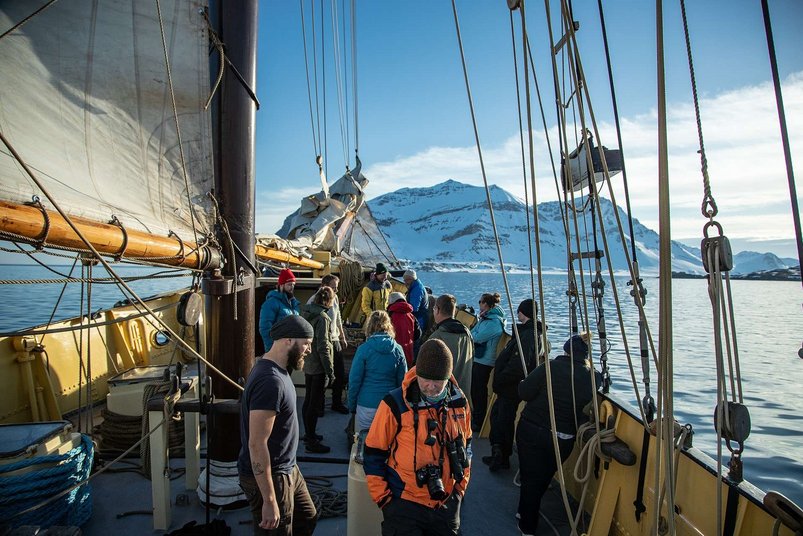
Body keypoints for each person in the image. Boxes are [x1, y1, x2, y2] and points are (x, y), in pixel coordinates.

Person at [364, 339, 472, 536]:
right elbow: (373, 453)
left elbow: (467, 448)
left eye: (437, 382)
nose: (430, 387)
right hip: (404, 502)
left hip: (446, 502)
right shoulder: (394, 404)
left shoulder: (460, 404)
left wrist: (459, 490)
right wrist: (385, 500)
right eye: (425, 380)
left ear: (448, 378)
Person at [238, 315, 317, 535]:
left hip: (288, 467)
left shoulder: (276, 369)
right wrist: (269, 500)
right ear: (288, 341)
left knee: (307, 518)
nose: (309, 350)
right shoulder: (270, 381)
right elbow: (256, 444)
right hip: (273, 475)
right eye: (306, 344)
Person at [516, 332, 601, 536]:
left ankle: (527, 525)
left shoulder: (550, 367)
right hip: (564, 437)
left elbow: (524, 392)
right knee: (544, 475)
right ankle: (524, 511)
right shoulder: (593, 377)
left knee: (529, 476)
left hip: (533, 429)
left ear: (565, 350)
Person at [483, 298, 543, 471]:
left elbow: (518, 364)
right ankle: (499, 453)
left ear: (523, 313)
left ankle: (501, 457)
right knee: (498, 418)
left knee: (503, 421)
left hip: (510, 388)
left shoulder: (528, 335)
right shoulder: (526, 333)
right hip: (509, 387)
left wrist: (500, 378)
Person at [348, 310, 408, 432]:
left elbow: (354, 381)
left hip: (366, 404)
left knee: (363, 443)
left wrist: (352, 405)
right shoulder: (398, 349)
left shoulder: (363, 349)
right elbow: (403, 381)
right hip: (389, 404)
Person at [307, 274, 349, 414]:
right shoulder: (314, 300)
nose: (335, 291)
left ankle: (336, 402)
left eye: (336, 288)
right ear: (324, 286)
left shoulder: (335, 298)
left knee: (339, 374)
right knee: (323, 374)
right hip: (322, 339)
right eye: (333, 288)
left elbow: (338, 318)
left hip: (334, 339)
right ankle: (319, 405)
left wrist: (342, 336)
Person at [300, 286, 335, 453]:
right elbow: (323, 346)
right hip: (319, 365)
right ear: (329, 300)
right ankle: (311, 441)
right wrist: (330, 370)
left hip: (308, 362)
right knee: (314, 404)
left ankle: (308, 433)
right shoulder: (322, 318)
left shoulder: (306, 312)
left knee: (308, 400)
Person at [469, 292, 506, 432]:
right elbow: (473, 333)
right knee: (475, 389)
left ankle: (479, 420)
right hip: (478, 358)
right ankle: (476, 416)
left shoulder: (495, 322)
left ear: (486, 304)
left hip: (485, 361)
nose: (479, 304)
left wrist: (473, 335)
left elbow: (477, 337)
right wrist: (473, 334)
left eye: (480, 302)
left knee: (479, 391)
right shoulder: (485, 319)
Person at [426, 294, 473, 398]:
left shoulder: (436, 337)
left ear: (437, 309)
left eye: (434, 308)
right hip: (463, 395)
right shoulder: (467, 334)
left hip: (444, 398)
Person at [259, 269, 300, 352]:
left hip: (291, 348)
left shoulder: (294, 303)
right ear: (281, 285)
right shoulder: (271, 303)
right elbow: (265, 328)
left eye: (293, 285)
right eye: (289, 284)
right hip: (278, 349)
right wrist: (273, 349)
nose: (292, 287)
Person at [387, 291, 420, 367]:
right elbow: (418, 334)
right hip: (408, 354)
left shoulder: (389, 315)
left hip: (393, 354)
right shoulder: (411, 316)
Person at [403, 270, 428, 356]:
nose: (405, 282)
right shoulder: (416, 286)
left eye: (406, 280)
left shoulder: (417, 290)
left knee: (415, 342)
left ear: (412, 279)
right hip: (419, 318)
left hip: (419, 320)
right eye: (404, 280)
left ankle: (413, 362)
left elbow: (413, 308)